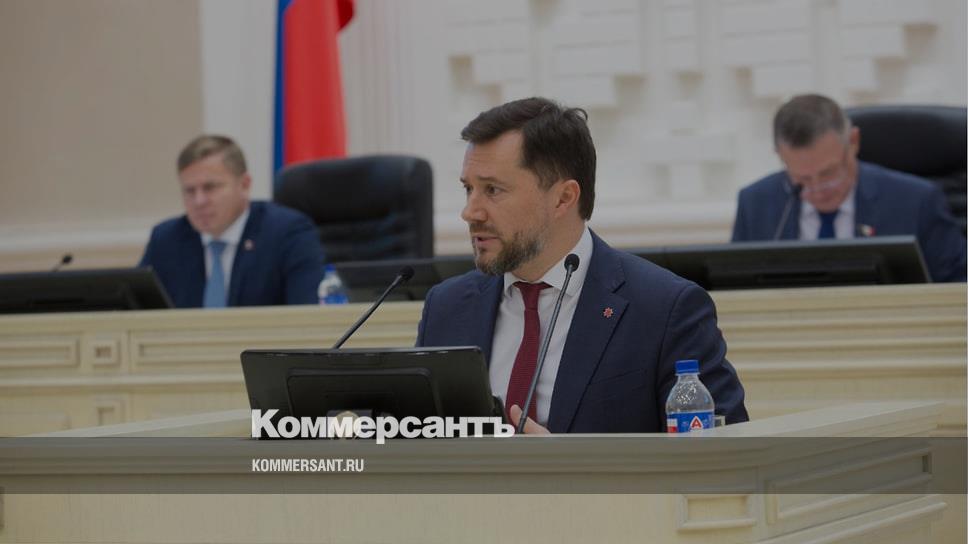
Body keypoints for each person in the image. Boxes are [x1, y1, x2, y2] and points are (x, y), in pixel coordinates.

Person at [416, 97, 748, 433]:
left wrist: (571, 461)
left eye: (493, 190)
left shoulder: (664, 309)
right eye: (468, 189)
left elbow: (725, 452)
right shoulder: (446, 308)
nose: (470, 212)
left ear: (563, 198)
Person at [731, 93, 966, 282]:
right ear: (780, 156)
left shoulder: (916, 201)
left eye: (828, 173)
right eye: (802, 179)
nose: (818, 189)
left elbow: (958, 288)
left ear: (853, 142)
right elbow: (736, 291)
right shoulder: (755, 204)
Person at [140, 135, 325, 308]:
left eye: (210, 187)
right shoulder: (166, 240)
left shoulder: (287, 234)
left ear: (244, 185)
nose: (199, 201)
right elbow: (136, 312)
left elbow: (306, 315)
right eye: (189, 191)